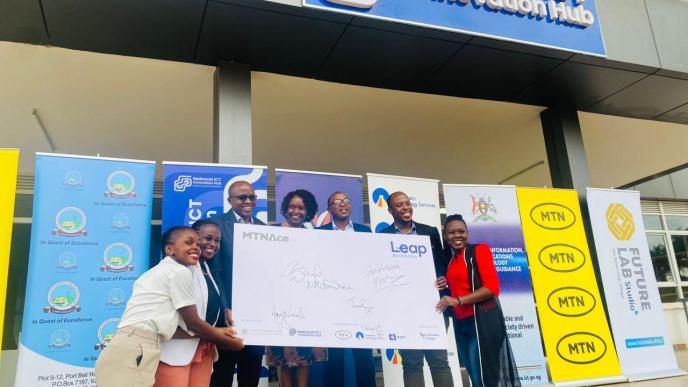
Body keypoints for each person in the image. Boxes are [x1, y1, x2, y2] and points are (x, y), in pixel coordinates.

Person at [95, 227, 244, 387]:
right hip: (138, 346)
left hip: (135, 344)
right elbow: (192, 323)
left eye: (197, 243)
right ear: (170, 249)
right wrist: (226, 340)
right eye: (188, 242)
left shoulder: (160, 271)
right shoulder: (178, 272)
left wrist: (217, 334)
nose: (196, 247)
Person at [379, 191, 454, 387]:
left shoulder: (430, 232)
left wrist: (444, 278)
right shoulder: (382, 236)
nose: (406, 207)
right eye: (399, 205)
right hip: (403, 311)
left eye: (407, 203)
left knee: (439, 362)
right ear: (390, 210)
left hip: (434, 306)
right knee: (412, 364)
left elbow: (442, 264)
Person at [436, 214, 520, 387]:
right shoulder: (451, 261)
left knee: (483, 377)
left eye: (461, 231)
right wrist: (445, 284)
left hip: (481, 322)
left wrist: (457, 300)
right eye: (451, 232)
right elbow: (459, 286)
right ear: (445, 236)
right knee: (475, 377)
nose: (457, 236)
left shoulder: (479, 250)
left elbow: (491, 288)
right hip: (461, 326)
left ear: (467, 233)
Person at [266, 189, 327, 387]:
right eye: (292, 206)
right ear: (285, 208)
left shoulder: (314, 238)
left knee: (304, 359)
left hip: (306, 306)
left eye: (301, 207)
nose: (296, 211)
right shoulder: (270, 233)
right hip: (278, 305)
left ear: (307, 211)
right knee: (283, 361)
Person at [209, 181, 267, 387]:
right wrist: (226, 306)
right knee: (222, 375)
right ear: (230, 200)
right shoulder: (216, 226)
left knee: (250, 374)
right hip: (227, 317)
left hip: (257, 317)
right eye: (242, 197)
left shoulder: (263, 228)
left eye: (252, 197)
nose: (248, 201)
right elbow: (216, 273)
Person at [316, 191, 376, 387]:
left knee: (364, 359)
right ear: (329, 208)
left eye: (347, 201)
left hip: (361, 303)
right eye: (338, 202)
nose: (343, 204)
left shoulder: (365, 232)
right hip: (331, 303)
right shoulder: (319, 234)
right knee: (334, 360)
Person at [154, 220, 224, 387]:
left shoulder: (205, 266)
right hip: (175, 349)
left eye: (217, 240)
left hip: (203, 347)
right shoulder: (177, 268)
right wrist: (219, 336)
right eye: (205, 239)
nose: (211, 244)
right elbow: (186, 320)